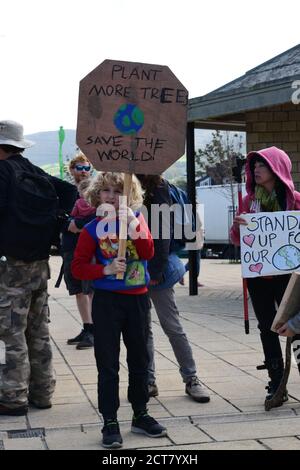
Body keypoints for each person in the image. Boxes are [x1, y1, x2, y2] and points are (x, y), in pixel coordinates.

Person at [71, 172, 167, 449]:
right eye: (106, 191)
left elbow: (148, 253)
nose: (112, 196)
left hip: (137, 299)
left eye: (118, 191)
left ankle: (141, 413)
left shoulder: (137, 222)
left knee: (139, 359)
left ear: (129, 196)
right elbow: (77, 267)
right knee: (108, 364)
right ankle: (110, 420)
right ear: (97, 195)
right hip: (106, 302)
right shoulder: (92, 229)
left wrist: (133, 223)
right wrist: (104, 268)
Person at [0, 120, 77, 416]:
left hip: (9, 267)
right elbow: (70, 192)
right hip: (39, 264)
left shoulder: (3, 172)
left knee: (10, 331)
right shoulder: (32, 170)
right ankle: (43, 392)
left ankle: (12, 396)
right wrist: (55, 221)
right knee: (38, 329)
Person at [230, 146, 300, 405]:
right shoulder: (248, 202)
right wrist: (237, 228)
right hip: (258, 278)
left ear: (277, 169)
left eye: (262, 165)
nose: (256, 169)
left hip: (289, 276)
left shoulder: (295, 200)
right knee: (267, 327)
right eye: (254, 166)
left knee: (295, 324)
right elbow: (237, 240)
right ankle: (276, 380)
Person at [137, 175, 210, 403]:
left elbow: (162, 232)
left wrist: (156, 272)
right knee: (143, 328)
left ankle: (190, 378)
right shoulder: (129, 180)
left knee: (170, 325)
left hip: (152, 269)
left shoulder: (156, 186)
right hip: (134, 267)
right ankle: (149, 380)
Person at [61, 154, 95, 350]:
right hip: (70, 247)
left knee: (89, 289)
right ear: (72, 170)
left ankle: (95, 330)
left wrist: (78, 224)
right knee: (77, 290)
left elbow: (101, 214)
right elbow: (59, 217)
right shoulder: (66, 191)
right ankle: (87, 327)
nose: (83, 171)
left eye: (86, 167)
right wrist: (69, 224)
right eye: (79, 167)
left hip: (90, 247)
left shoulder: (97, 191)